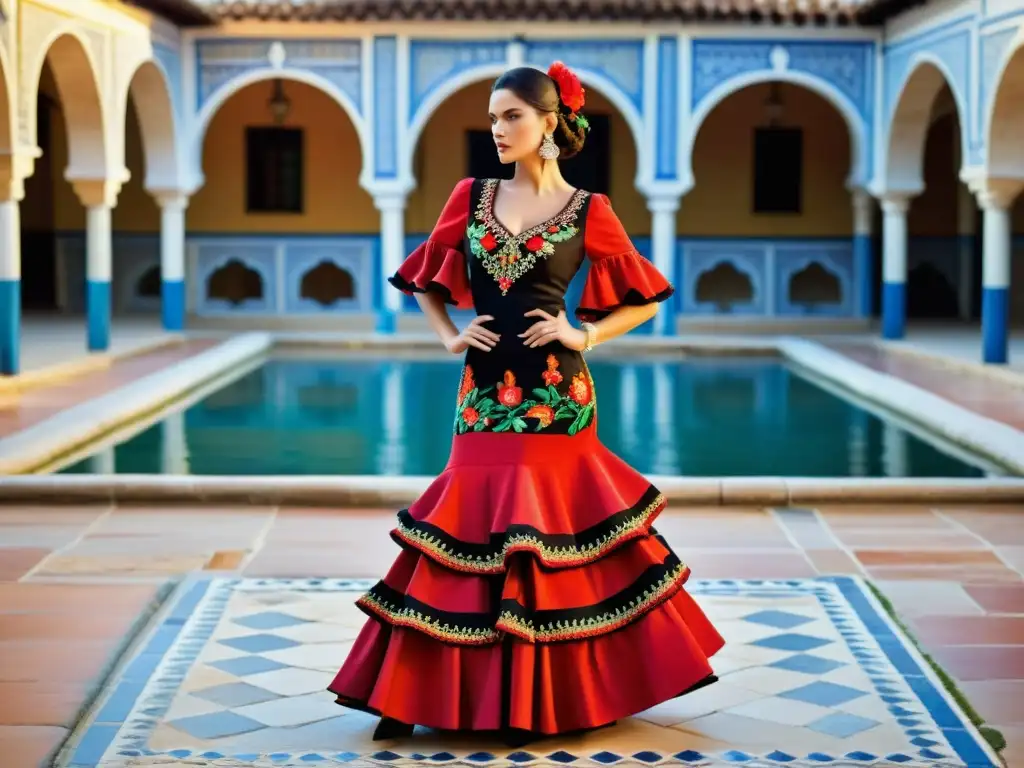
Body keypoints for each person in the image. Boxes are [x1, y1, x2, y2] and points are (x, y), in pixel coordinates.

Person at [328, 61, 724, 746]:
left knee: (551, 541)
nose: (497, 129)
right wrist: (451, 336)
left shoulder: (590, 210)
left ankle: (558, 696)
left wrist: (585, 332)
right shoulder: (470, 195)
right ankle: (407, 688)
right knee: (464, 528)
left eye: (511, 115)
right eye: (491, 117)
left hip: (559, 398)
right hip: (484, 396)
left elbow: (645, 295)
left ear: (549, 122)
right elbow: (423, 273)